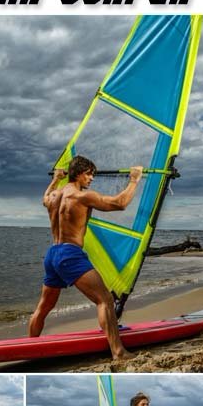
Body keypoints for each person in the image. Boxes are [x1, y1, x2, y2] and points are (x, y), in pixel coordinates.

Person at [29, 156, 143, 363]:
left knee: (43, 307)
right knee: (105, 300)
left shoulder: (55, 196)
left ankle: (29, 348)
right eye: (89, 174)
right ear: (79, 173)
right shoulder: (82, 197)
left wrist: (55, 179)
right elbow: (120, 203)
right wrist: (134, 180)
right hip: (70, 254)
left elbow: (44, 198)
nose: (91, 178)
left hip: (53, 253)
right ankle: (119, 353)